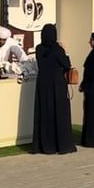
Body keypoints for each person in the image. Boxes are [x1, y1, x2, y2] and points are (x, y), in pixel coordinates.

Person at [31, 23, 77, 154]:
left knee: (45, 113)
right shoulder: (57, 49)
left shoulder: (39, 49)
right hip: (57, 84)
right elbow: (67, 64)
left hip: (43, 84)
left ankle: (45, 144)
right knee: (59, 113)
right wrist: (64, 51)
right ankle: (61, 144)